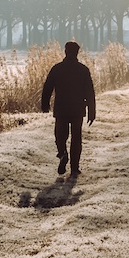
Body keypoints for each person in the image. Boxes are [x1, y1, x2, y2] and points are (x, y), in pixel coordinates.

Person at [39, 41, 96, 179]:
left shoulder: (57, 68)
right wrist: (91, 112)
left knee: (60, 135)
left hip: (61, 108)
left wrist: (45, 105)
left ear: (65, 51)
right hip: (77, 109)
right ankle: (75, 168)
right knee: (76, 138)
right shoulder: (83, 70)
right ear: (77, 52)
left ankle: (62, 153)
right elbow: (89, 92)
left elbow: (47, 88)